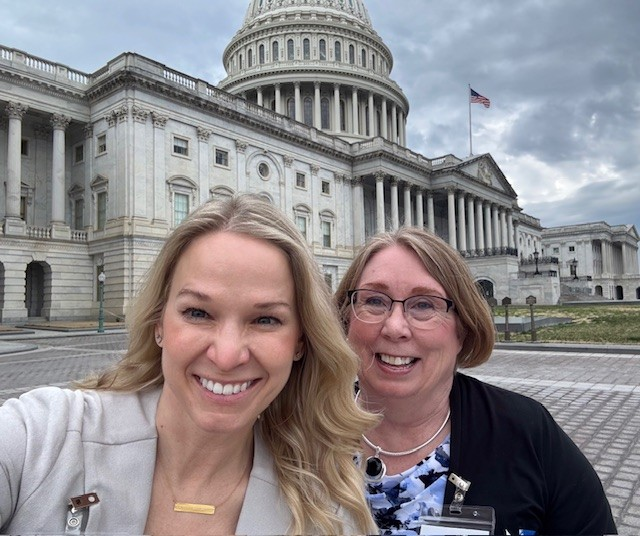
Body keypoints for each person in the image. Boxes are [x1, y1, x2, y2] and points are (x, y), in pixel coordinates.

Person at [0, 194, 378, 535]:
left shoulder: (331, 516)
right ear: (159, 323)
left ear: (300, 341)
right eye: (198, 312)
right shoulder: (40, 437)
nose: (227, 356)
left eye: (266, 320)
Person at [335, 227, 617, 536]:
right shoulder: (298, 428)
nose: (395, 327)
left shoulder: (527, 433)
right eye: (374, 300)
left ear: (463, 330)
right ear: (346, 319)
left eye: (424, 304)